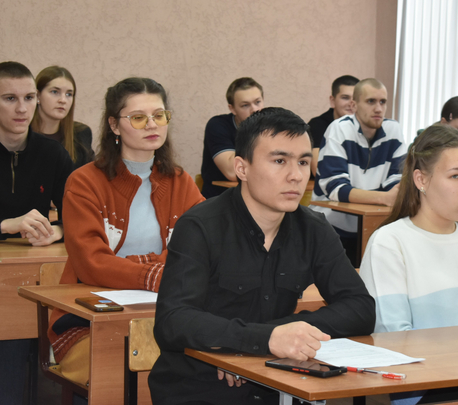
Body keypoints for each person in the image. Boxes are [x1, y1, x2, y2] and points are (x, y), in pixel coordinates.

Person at [150, 107, 375, 405]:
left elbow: (361, 308)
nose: (296, 176)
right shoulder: (200, 226)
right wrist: (260, 340)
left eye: (303, 162)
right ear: (241, 168)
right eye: (280, 161)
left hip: (279, 388)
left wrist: (271, 337)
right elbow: (173, 321)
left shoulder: (313, 228)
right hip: (200, 390)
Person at [46, 77, 204, 388]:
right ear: (114, 125)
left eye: (159, 115)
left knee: (203, 365)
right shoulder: (84, 182)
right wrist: (153, 273)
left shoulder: (182, 183)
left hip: (165, 313)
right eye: (138, 117)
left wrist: (136, 266)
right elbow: (91, 263)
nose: (152, 125)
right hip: (88, 318)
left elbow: (201, 251)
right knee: (128, 372)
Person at [359, 124, 458, 404]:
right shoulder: (390, 243)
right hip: (428, 385)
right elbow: (393, 339)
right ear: (421, 179)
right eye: (456, 176)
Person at [0, 61, 72, 404]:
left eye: (29, 97)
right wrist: (6, 226)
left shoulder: (52, 153)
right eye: (10, 98)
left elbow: (80, 214)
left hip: (27, 273)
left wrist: (57, 231)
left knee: (17, 327)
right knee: (8, 328)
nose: (22, 108)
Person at [312, 78, 406, 264]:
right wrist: (383, 198)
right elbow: (336, 189)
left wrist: (389, 196)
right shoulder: (339, 129)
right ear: (354, 105)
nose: (378, 109)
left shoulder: (393, 130)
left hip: (373, 225)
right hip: (330, 227)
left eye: (383, 102)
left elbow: (397, 182)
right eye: (371, 101)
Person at [201, 77, 264, 198]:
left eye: (257, 102)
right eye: (245, 105)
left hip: (257, 198)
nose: (254, 110)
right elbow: (232, 172)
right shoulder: (218, 125)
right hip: (220, 200)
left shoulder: (271, 127)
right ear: (232, 109)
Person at [31, 66, 94, 171]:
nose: (63, 100)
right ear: (38, 96)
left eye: (69, 94)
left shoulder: (81, 134)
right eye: (55, 92)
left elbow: (89, 176)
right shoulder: (21, 135)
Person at [308, 75, 359, 176]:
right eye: (345, 98)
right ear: (332, 101)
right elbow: (318, 170)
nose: (351, 103)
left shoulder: (367, 128)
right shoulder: (317, 125)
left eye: (356, 98)